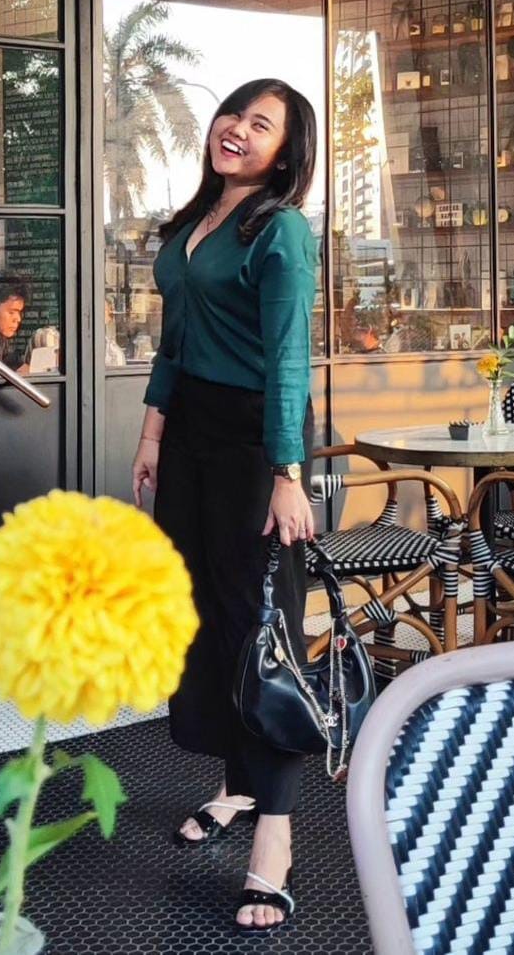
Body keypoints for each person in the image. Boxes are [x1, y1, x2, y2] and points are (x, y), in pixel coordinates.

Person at [131, 78, 317, 936]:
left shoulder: (281, 230)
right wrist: (152, 432)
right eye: (233, 115)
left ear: (284, 152)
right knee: (201, 612)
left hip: (254, 443)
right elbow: (174, 338)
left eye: (260, 124)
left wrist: (288, 471)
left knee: (260, 627)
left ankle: (274, 838)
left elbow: (288, 358)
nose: (236, 129)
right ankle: (236, 786)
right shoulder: (200, 221)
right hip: (191, 435)